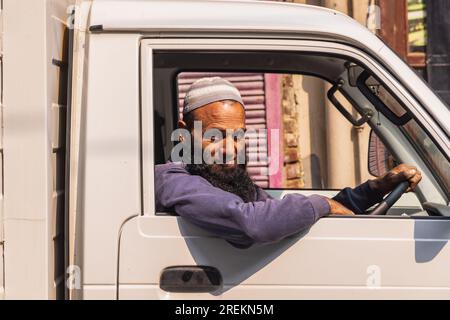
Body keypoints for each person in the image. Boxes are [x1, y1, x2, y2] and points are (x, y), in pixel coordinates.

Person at [155, 77, 422, 248]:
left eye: (238, 137)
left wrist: (375, 188)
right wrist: (322, 203)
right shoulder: (173, 180)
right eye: (216, 136)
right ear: (186, 132)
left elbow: (279, 211)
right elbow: (251, 223)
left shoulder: (227, 180)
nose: (230, 149)